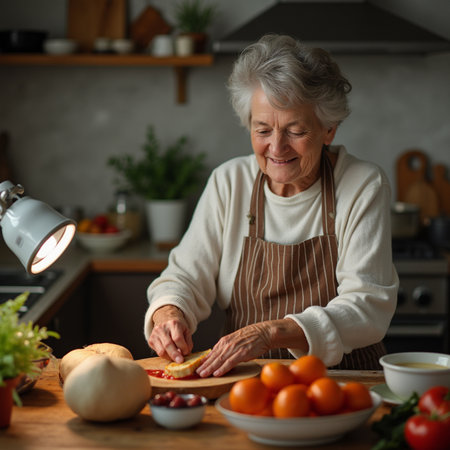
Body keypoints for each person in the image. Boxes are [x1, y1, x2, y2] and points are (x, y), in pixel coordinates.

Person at [144, 34, 398, 375]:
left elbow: (367, 306)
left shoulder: (363, 184)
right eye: (263, 130)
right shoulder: (229, 182)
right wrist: (168, 313)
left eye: (295, 130)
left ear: (328, 130)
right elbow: (185, 276)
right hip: (244, 382)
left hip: (341, 381)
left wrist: (270, 333)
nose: (276, 148)